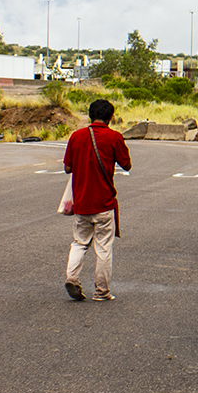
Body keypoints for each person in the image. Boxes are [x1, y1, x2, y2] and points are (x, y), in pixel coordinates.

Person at [62, 98, 132, 302]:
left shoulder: (76, 136)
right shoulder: (114, 137)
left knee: (79, 242)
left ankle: (72, 277)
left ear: (90, 114)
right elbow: (126, 165)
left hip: (82, 203)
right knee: (103, 248)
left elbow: (68, 168)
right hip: (104, 203)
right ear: (110, 117)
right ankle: (102, 291)